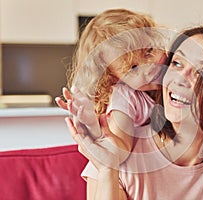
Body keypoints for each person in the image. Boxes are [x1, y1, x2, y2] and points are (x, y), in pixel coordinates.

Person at [61, 25, 203, 200]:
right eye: (176, 64)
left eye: (202, 72)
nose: (180, 80)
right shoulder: (118, 153)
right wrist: (107, 171)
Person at [56, 8, 168, 163]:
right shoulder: (124, 97)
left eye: (149, 51)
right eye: (133, 68)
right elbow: (119, 152)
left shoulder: (167, 84)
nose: (148, 68)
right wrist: (93, 126)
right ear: (113, 78)